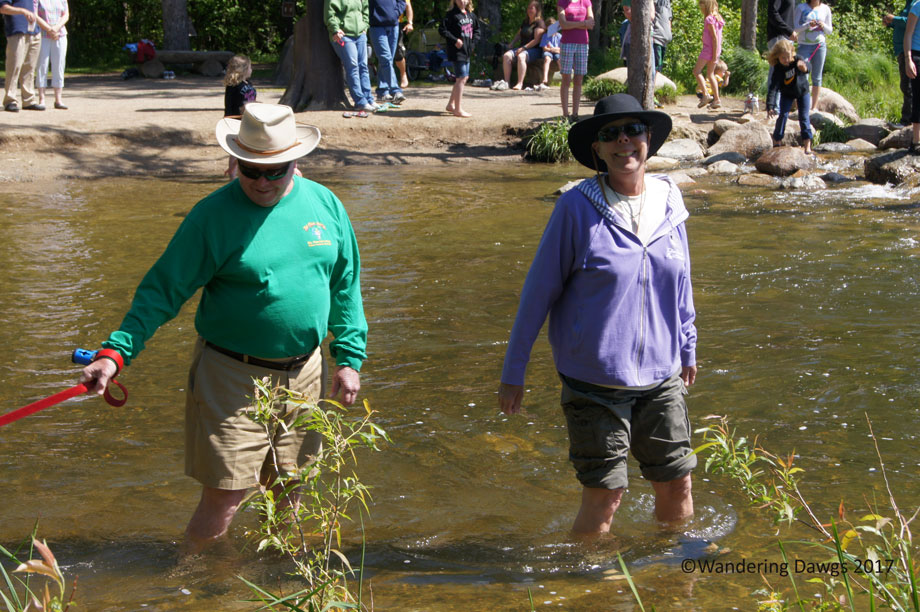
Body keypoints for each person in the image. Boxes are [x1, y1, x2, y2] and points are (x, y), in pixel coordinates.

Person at [79, 103, 368, 554]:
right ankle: (195, 590)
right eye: (251, 170)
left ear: (297, 160)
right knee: (227, 499)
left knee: (291, 491)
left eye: (276, 171)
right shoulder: (211, 216)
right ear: (236, 161)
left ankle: (280, 585)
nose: (262, 182)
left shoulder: (326, 205)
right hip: (232, 376)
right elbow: (160, 292)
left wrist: (349, 359)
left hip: (306, 374)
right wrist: (115, 354)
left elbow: (346, 286)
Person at [499, 93, 698, 536]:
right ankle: (590, 587)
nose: (624, 141)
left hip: (662, 376)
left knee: (677, 483)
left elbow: (681, 281)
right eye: (611, 134)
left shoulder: (670, 200)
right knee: (606, 497)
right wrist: (515, 370)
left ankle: (674, 580)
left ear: (649, 139)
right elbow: (537, 294)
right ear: (597, 149)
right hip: (595, 382)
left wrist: (688, 346)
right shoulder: (576, 208)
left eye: (633, 130)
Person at [1, 0, 53, 112]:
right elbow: (3, 8)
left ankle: (29, 100)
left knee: (30, 68)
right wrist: (22, 11)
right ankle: (10, 100)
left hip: (34, 31)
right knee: (14, 67)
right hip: (17, 30)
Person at [325, 0, 376, 112]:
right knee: (353, 66)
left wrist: (365, 26)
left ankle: (369, 99)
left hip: (360, 35)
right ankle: (360, 102)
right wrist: (335, 30)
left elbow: (365, 9)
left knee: (363, 66)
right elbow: (329, 14)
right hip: (344, 36)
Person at [766, 39, 813, 154]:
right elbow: (773, 88)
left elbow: (808, 67)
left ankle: (807, 145)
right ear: (777, 57)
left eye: (788, 56)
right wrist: (770, 105)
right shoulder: (778, 69)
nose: (786, 60)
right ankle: (777, 141)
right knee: (783, 115)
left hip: (802, 92)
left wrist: (805, 68)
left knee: (804, 117)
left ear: (792, 53)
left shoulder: (797, 59)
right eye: (783, 58)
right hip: (787, 94)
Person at [492, 0, 545, 91]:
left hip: (535, 50)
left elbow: (537, 40)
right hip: (522, 48)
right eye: (528, 8)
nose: (529, 10)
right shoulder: (525, 22)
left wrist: (523, 48)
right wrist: (511, 44)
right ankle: (506, 82)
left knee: (521, 56)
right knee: (507, 55)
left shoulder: (539, 23)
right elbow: (519, 35)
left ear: (537, 10)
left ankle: (520, 83)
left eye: (531, 8)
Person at [439, 0, 479, 118]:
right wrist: (455, 40)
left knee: (464, 77)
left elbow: (477, 31)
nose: (462, 1)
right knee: (461, 77)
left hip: (466, 51)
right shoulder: (451, 15)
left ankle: (451, 105)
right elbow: (442, 30)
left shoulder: (471, 15)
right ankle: (458, 109)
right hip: (456, 52)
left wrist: (472, 44)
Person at [558, 0, 594, 121]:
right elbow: (563, 24)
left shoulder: (586, 2)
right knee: (566, 78)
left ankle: (575, 113)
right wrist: (583, 23)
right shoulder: (562, 2)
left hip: (583, 43)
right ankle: (565, 114)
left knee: (578, 79)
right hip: (567, 43)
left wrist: (572, 24)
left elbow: (591, 23)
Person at [222, 54, 257, 179]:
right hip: (237, 120)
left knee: (247, 146)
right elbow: (232, 105)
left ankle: (245, 173)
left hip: (249, 120)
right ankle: (232, 174)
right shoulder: (234, 86)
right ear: (243, 69)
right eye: (250, 67)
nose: (251, 70)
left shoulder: (248, 83)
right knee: (236, 149)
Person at [793, 0, 832, 111]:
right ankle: (800, 106)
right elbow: (795, 28)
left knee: (817, 77)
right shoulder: (801, 7)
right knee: (802, 75)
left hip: (820, 46)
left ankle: (814, 107)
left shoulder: (825, 9)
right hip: (803, 46)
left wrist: (823, 25)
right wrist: (807, 25)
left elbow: (829, 31)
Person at [884, 0, 916, 127]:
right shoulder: (909, 3)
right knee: (905, 86)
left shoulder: (915, 3)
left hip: (908, 50)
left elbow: (910, 22)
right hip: (901, 50)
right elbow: (902, 25)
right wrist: (890, 23)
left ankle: (907, 121)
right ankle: (908, 120)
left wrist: (894, 19)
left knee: (907, 86)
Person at [369, 0, 407, 104]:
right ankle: (395, 91)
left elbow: (402, 2)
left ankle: (382, 91)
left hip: (393, 25)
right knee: (386, 58)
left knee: (387, 60)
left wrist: (396, 13)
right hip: (376, 26)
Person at [766, 0, 797, 117]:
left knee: (783, 73)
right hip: (778, 36)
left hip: (786, 36)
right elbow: (772, 12)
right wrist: (788, 31)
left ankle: (779, 107)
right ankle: (773, 108)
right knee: (776, 72)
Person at [35, 0, 68, 110]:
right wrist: (49, 29)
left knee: (59, 66)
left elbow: (66, 15)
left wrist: (56, 28)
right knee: (42, 66)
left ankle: (58, 99)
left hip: (60, 34)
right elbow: (35, 15)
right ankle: (41, 99)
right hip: (43, 35)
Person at [693, 0, 725, 110]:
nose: (700, 8)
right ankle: (716, 100)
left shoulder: (709, 19)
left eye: (701, 5)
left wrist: (714, 54)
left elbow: (714, 38)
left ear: (706, 6)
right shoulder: (718, 18)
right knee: (710, 74)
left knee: (697, 71)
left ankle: (706, 95)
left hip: (709, 50)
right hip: (715, 50)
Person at [904, 0, 920, 152]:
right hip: (917, 55)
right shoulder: (917, 6)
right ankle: (916, 141)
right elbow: (908, 34)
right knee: (918, 97)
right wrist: (908, 59)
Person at [394, 0, 413, 89]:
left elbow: (408, 5)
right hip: (381, 24)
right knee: (384, 54)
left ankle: (403, 74)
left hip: (397, 23)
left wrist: (409, 22)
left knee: (398, 52)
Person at [538, 18, 561, 91]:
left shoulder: (559, 36)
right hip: (548, 51)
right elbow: (544, 48)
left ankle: (564, 76)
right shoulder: (545, 36)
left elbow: (562, 48)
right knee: (547, 58)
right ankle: (545, 78)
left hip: (557, 52)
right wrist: (552, 49)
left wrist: (556, 50)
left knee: (559, 59)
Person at [651, 0, 673, 74]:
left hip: (664, 39)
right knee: (655, 68)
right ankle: (652, 85)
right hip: (656, 38)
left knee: (659, 68)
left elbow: (669, 18)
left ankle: (654, 84)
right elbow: (650, 14)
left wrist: (669, 32)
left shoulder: (667, 1)